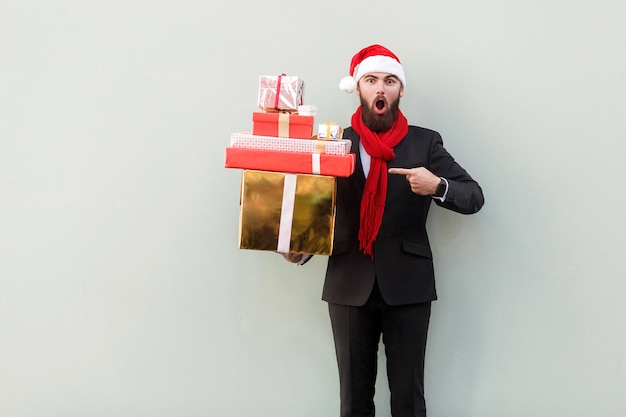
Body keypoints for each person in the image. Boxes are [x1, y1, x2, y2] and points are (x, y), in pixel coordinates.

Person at [283, 44, 484, 417]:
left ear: (400, 90)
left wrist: (437, 185)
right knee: (354, 402)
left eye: (389, 81)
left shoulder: (425, 143)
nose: (380, 89)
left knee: (408, 400)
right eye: (371, 80)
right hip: (348, 283)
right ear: (358, 88)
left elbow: (473, 196)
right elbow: (319, 209)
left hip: (408, 285)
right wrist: (301, 250)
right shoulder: (333, 143)